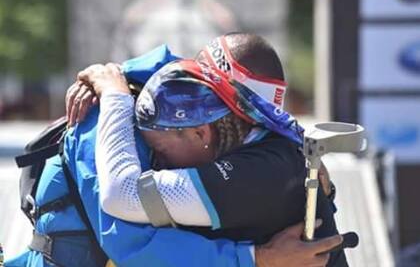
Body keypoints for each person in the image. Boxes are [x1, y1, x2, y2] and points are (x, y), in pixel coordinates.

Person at [6, 34, 341, 267]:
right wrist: (256, 260)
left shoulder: (262, 168)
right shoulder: (120, 121)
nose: (254, 127)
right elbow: (127, 237)